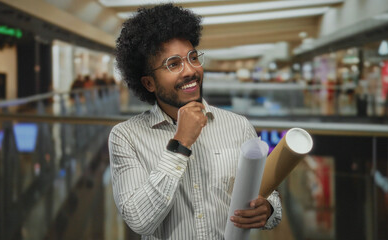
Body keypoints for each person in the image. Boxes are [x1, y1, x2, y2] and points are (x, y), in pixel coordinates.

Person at [108, 4, 282, 239]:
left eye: (193, 57)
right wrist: (181, 143)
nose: (190, 70)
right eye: (173, 64)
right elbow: (139, 221)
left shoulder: (238, 125)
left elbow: (265, 191)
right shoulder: (126, 137)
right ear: (149, 83)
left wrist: (269, 209)